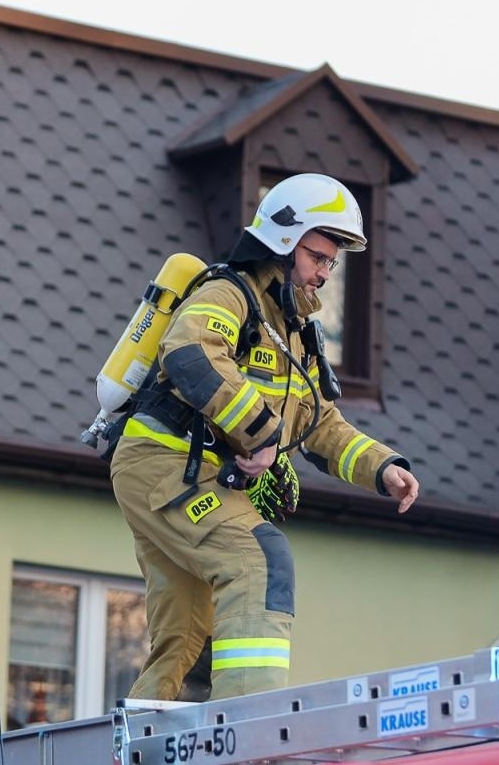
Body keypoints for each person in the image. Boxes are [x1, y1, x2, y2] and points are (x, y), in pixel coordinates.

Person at [109, 172, 420, 702]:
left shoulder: (295, 332)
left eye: (332, 263)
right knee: (259, 561)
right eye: (319, 257)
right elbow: (189, 352)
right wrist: (261, 432)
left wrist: (384, 468)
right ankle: (245, 730)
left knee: (186, 632)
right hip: (161, 460)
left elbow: (320, 425)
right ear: (283, 241)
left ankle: (135, 758)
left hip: (182, 473)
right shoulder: (228, 294)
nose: (325, 274)